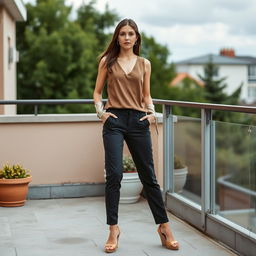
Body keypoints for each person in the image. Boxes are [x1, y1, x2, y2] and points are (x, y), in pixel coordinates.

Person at [93, 18, 179, 253]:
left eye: (131, 33)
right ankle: (113, 229)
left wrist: (152, 114)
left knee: (149, 177)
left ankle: (164, 228)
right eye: (123, 34)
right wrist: (101, 113)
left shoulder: (145, 64)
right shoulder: (107, 62)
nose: (127, 37)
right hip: (115, 121)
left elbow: (147, 94)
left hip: (139, 121)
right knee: (114, 175)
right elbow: (97, 92)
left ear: (137, 37)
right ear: (117, 37)